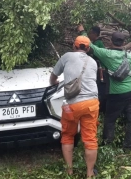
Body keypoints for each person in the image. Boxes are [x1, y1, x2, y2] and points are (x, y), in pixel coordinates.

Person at [77, 26, 131, 151]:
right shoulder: (130, 57)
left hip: (116, 94)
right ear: (124, 43)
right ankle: (128, 146)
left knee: (110, 120)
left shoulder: (107, 54)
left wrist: (82, 31)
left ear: (111, 41)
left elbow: (90, 46)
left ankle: (107, 145)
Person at [50, 36, 99, 178]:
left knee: (67, 136)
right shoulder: (93, 62)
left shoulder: (66, 57)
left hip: (72, 105)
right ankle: (90, 174)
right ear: (88, 49)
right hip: (91, 103)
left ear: (74, 46)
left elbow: (53, 77)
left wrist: (55, 83)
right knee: (90, 139)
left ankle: (69, 171)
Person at [78, 26, 107, 113]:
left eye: (90, 33)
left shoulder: (98, 44)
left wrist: (83, 32)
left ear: (94, 34)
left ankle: (99, 109)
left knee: (100, 91)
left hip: (101, 72)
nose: (89, 35)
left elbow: (89, 45)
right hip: (97, 71)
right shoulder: (97, 42)